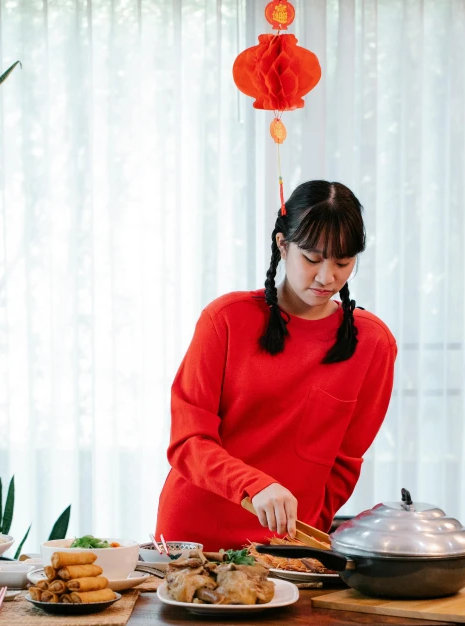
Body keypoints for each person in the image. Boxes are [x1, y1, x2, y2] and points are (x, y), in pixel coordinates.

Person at [156, 180, 397, 551]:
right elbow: (188, 441)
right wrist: (254, 485)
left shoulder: (373, 344)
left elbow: (346, 462)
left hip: (287, 547)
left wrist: (303, 534)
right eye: (313, 258)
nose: (326, 277)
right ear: (283, 245)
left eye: (343, 262)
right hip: (194, 538)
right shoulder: (225, 320)